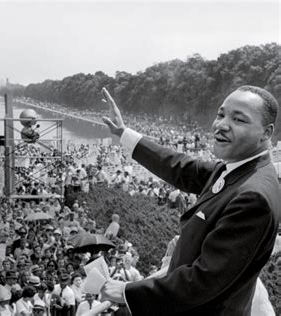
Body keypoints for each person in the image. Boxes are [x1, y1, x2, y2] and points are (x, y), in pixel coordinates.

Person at [99, 85, 281, 315]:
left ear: (267, 132)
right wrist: (123, 133)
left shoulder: (253, 197)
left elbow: (205, 279)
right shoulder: (240, 169)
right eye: (221, 114)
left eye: (239, 120)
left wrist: (128, 291)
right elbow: (181, 168)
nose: (222, 125)